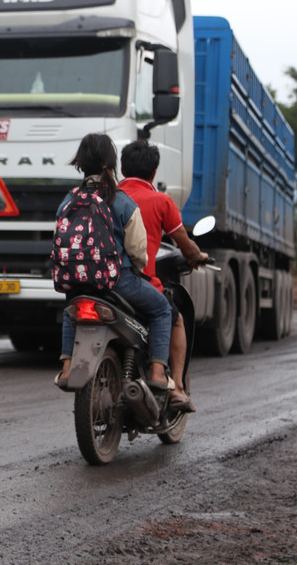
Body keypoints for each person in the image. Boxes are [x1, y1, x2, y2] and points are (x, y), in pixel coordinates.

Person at [55, 133, 173, 388]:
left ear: (81, 164)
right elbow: (138, 250)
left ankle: (66, 368)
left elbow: (58, 238)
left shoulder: (68, 200)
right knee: (162, 309)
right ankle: (157, 373)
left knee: (71, 309)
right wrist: (138, 269)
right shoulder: (120, 201)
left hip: (76, 281)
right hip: (119, 281)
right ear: (111, 164)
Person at [119, 139, 209, 413]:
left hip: (99, 280)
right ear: (154, 173)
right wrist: (198, 256)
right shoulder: (161, 201)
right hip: (137, 282)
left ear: (122, 169)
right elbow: (184, 243)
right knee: (173, 317)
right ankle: (175, 387)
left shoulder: (107, 198)